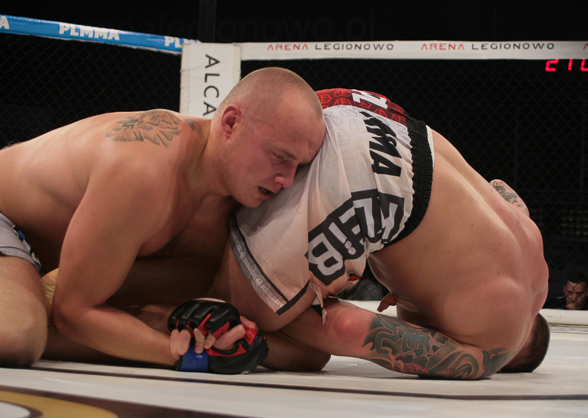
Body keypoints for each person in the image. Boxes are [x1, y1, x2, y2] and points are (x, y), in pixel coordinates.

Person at [199, 88, 550, 379]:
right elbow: (348, 330)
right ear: (513, 359)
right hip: (377, 182)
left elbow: (501, 188)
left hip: (376, 117)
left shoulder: (531, 242)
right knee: (246, 305)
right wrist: (287, 316)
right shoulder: (490, 351)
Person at [0, 67, 325, 368]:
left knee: (303, 345)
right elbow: (73, 313)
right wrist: (189, 356)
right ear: (230, 123)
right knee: (16, 337)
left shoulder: (243, 207)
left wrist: (224, 340)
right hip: (8, 220)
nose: (287, 180)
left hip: (47, 270)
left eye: (299, 166)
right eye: (279, 157)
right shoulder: (144, 170)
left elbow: (310, 353)